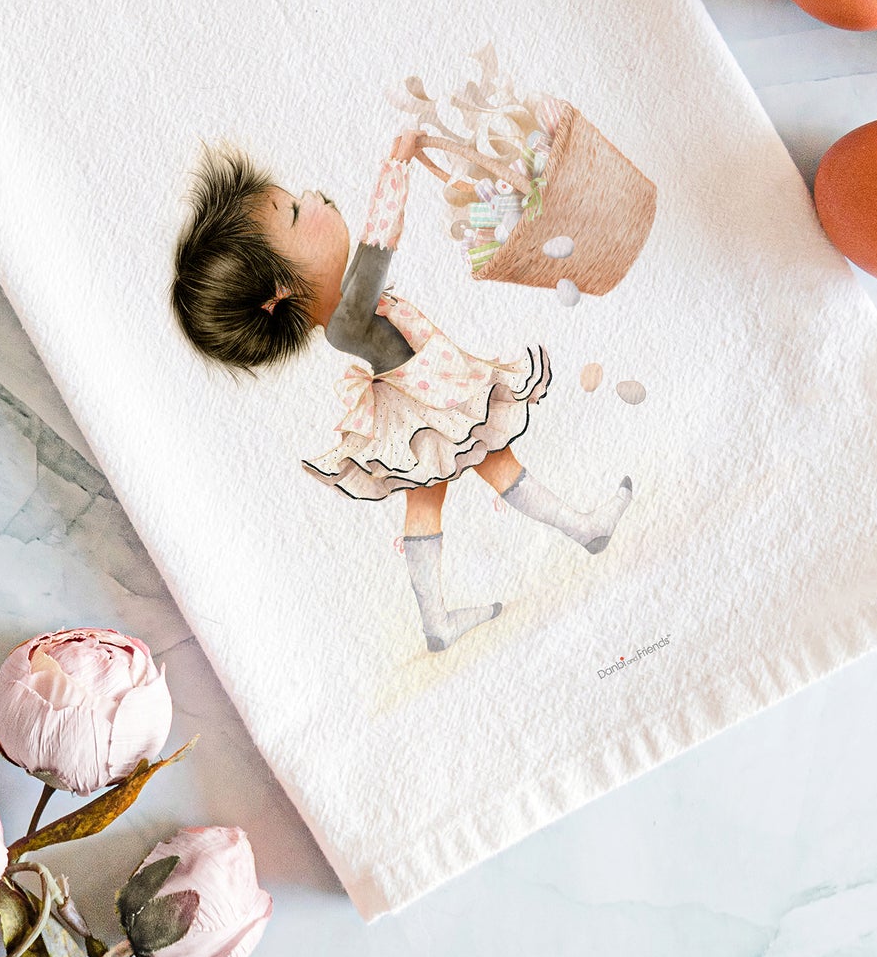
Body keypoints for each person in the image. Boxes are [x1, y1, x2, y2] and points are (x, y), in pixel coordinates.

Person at [171, 132, 634, 654]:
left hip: (421, 407)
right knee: (498, 461)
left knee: (427, 498)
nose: (317, 195)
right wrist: (396, 165)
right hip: (435, 404)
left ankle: (437, 620)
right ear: (279, 294)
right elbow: (377, 247)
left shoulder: (344, 313)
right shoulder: (345, 321)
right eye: (298, 212)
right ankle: (584, 528)